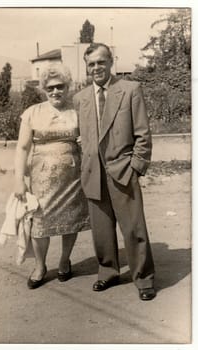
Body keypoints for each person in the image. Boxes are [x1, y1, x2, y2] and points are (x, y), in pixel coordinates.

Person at [73, 43, 156, 301]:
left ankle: (144, 278)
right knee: (101, 230)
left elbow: (143, 133)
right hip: (93, 173)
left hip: (123, 170)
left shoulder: (130, 90)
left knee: (133, 228)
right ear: (86, 68)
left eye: (100, 62)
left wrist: (136, 167)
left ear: (111, 62)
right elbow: (84, 135)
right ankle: (107, 271)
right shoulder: (81, 98)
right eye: (91, 64)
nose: (96, 68)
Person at [14, 63, 90, 289]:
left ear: (68, 87)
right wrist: (19, 179)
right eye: (50, 88)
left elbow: (89, 140)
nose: (56, 91)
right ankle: (40, 266)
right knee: (39, 223)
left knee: (72, 220)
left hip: (72, 178)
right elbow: (22, 148)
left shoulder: (77, 111)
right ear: (44, 89)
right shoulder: (32, 113)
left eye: (60, 87)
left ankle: (65, 260)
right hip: (41, 179)